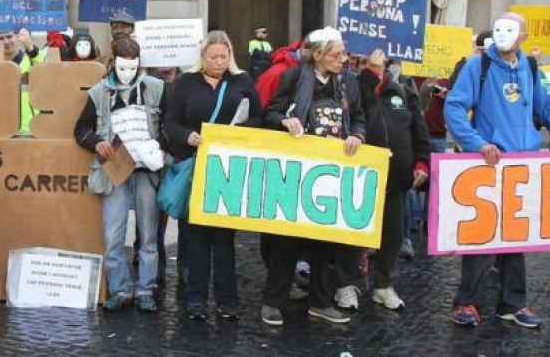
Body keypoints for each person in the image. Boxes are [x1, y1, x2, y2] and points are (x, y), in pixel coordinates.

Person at [444, 12, 550, 329]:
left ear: (523, 36)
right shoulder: (478, 65)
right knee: (482, 235)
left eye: (512, 29)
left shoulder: (532, 69)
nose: (505, 34)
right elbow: (455, 107)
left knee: (515, 236)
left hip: (524, 164)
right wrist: (477, 143)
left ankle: (513, 303)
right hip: (491, 164)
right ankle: (466, 302)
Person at [262, 28, 366, 326]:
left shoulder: (348, 83)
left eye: (344, 54)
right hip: (297, 172)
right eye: (336, 54)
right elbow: (271, 113)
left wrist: (357, 135)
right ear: (317, 54)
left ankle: (320, 302)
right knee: (286, 242)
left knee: (326, 242)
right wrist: (285, 120)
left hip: (331, 173)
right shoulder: (294, 78)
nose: (343, 59)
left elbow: (358, 117)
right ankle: (273, 302)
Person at [163, 30, 262, 322]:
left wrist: (238, 134)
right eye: (213, 56)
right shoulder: (184, 83)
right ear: (203, 57)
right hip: (196, 166)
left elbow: (258, 117)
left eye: (223, 56)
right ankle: (195, 299)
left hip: (227, 169)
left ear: (230, 55)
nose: (219, 61)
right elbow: (170, 123)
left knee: (224, 239)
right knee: (195, 238)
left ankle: (227, 300)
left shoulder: (242, 81)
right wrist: (187, 136)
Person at [75, 36, 166, 313]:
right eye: (124, 67)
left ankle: (146, 290)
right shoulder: (99, 92)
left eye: (133, 67)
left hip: (145, 172)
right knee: (113, 234)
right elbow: (80, 130)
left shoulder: (156, 88)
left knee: (148, 235)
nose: (128, 73)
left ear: (140, 64)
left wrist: (159, 146)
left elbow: (169, 124)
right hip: (115, 169)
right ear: (114, 63)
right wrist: (95, 142)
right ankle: (120, 289)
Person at [357, 50, 430, 310]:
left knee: (393, 235)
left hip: (396, 177)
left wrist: (422, 162)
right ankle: (351, 283)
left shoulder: (403, 89)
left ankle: (383, 285)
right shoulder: (354, 85)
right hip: (362, 177)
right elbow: (359, 112)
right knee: (355, 234)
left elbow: (418, 129)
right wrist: (369, 75)